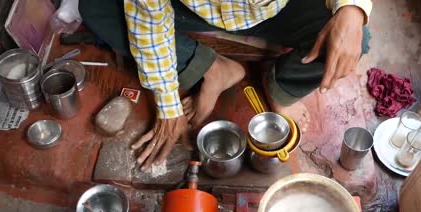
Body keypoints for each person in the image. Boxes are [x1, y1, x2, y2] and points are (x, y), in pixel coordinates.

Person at [79, 0, 372, 170]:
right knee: (96, 6)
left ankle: (282, 88)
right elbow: (147, 17)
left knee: (356, 37)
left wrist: (352, 9)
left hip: (276, 9)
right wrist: (168, 103)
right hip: (191, 9)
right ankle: (212, 66)